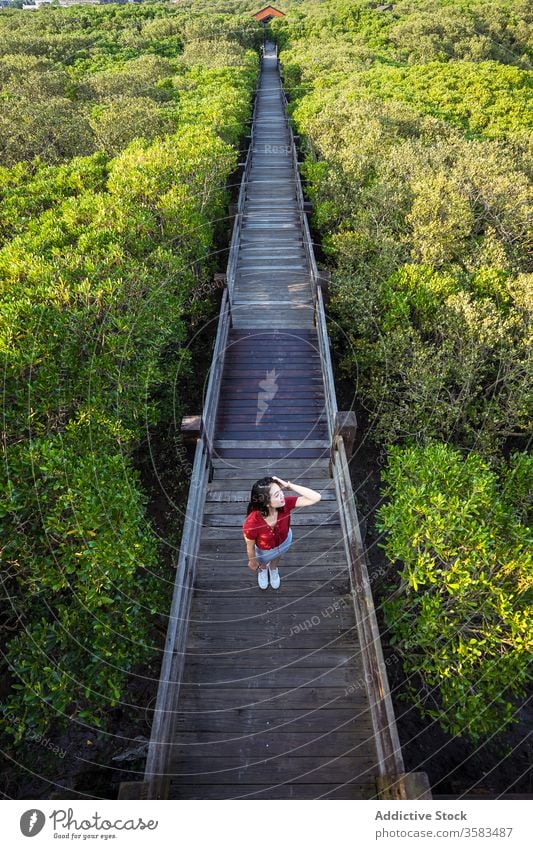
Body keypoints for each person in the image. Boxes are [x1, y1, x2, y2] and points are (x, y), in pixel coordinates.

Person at [242, 475, 321, 590]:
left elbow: (316, 497)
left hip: (284, 541)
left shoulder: (285, 504)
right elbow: (250, 547)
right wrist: (252, 562)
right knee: (263, 561)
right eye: (277, 495)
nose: (282, 496)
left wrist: (289, 485)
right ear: (267, 503)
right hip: (264, 550)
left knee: (278, 556)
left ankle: (273, 569)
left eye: (281, 492)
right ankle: (263, 569)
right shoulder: (251, 523)